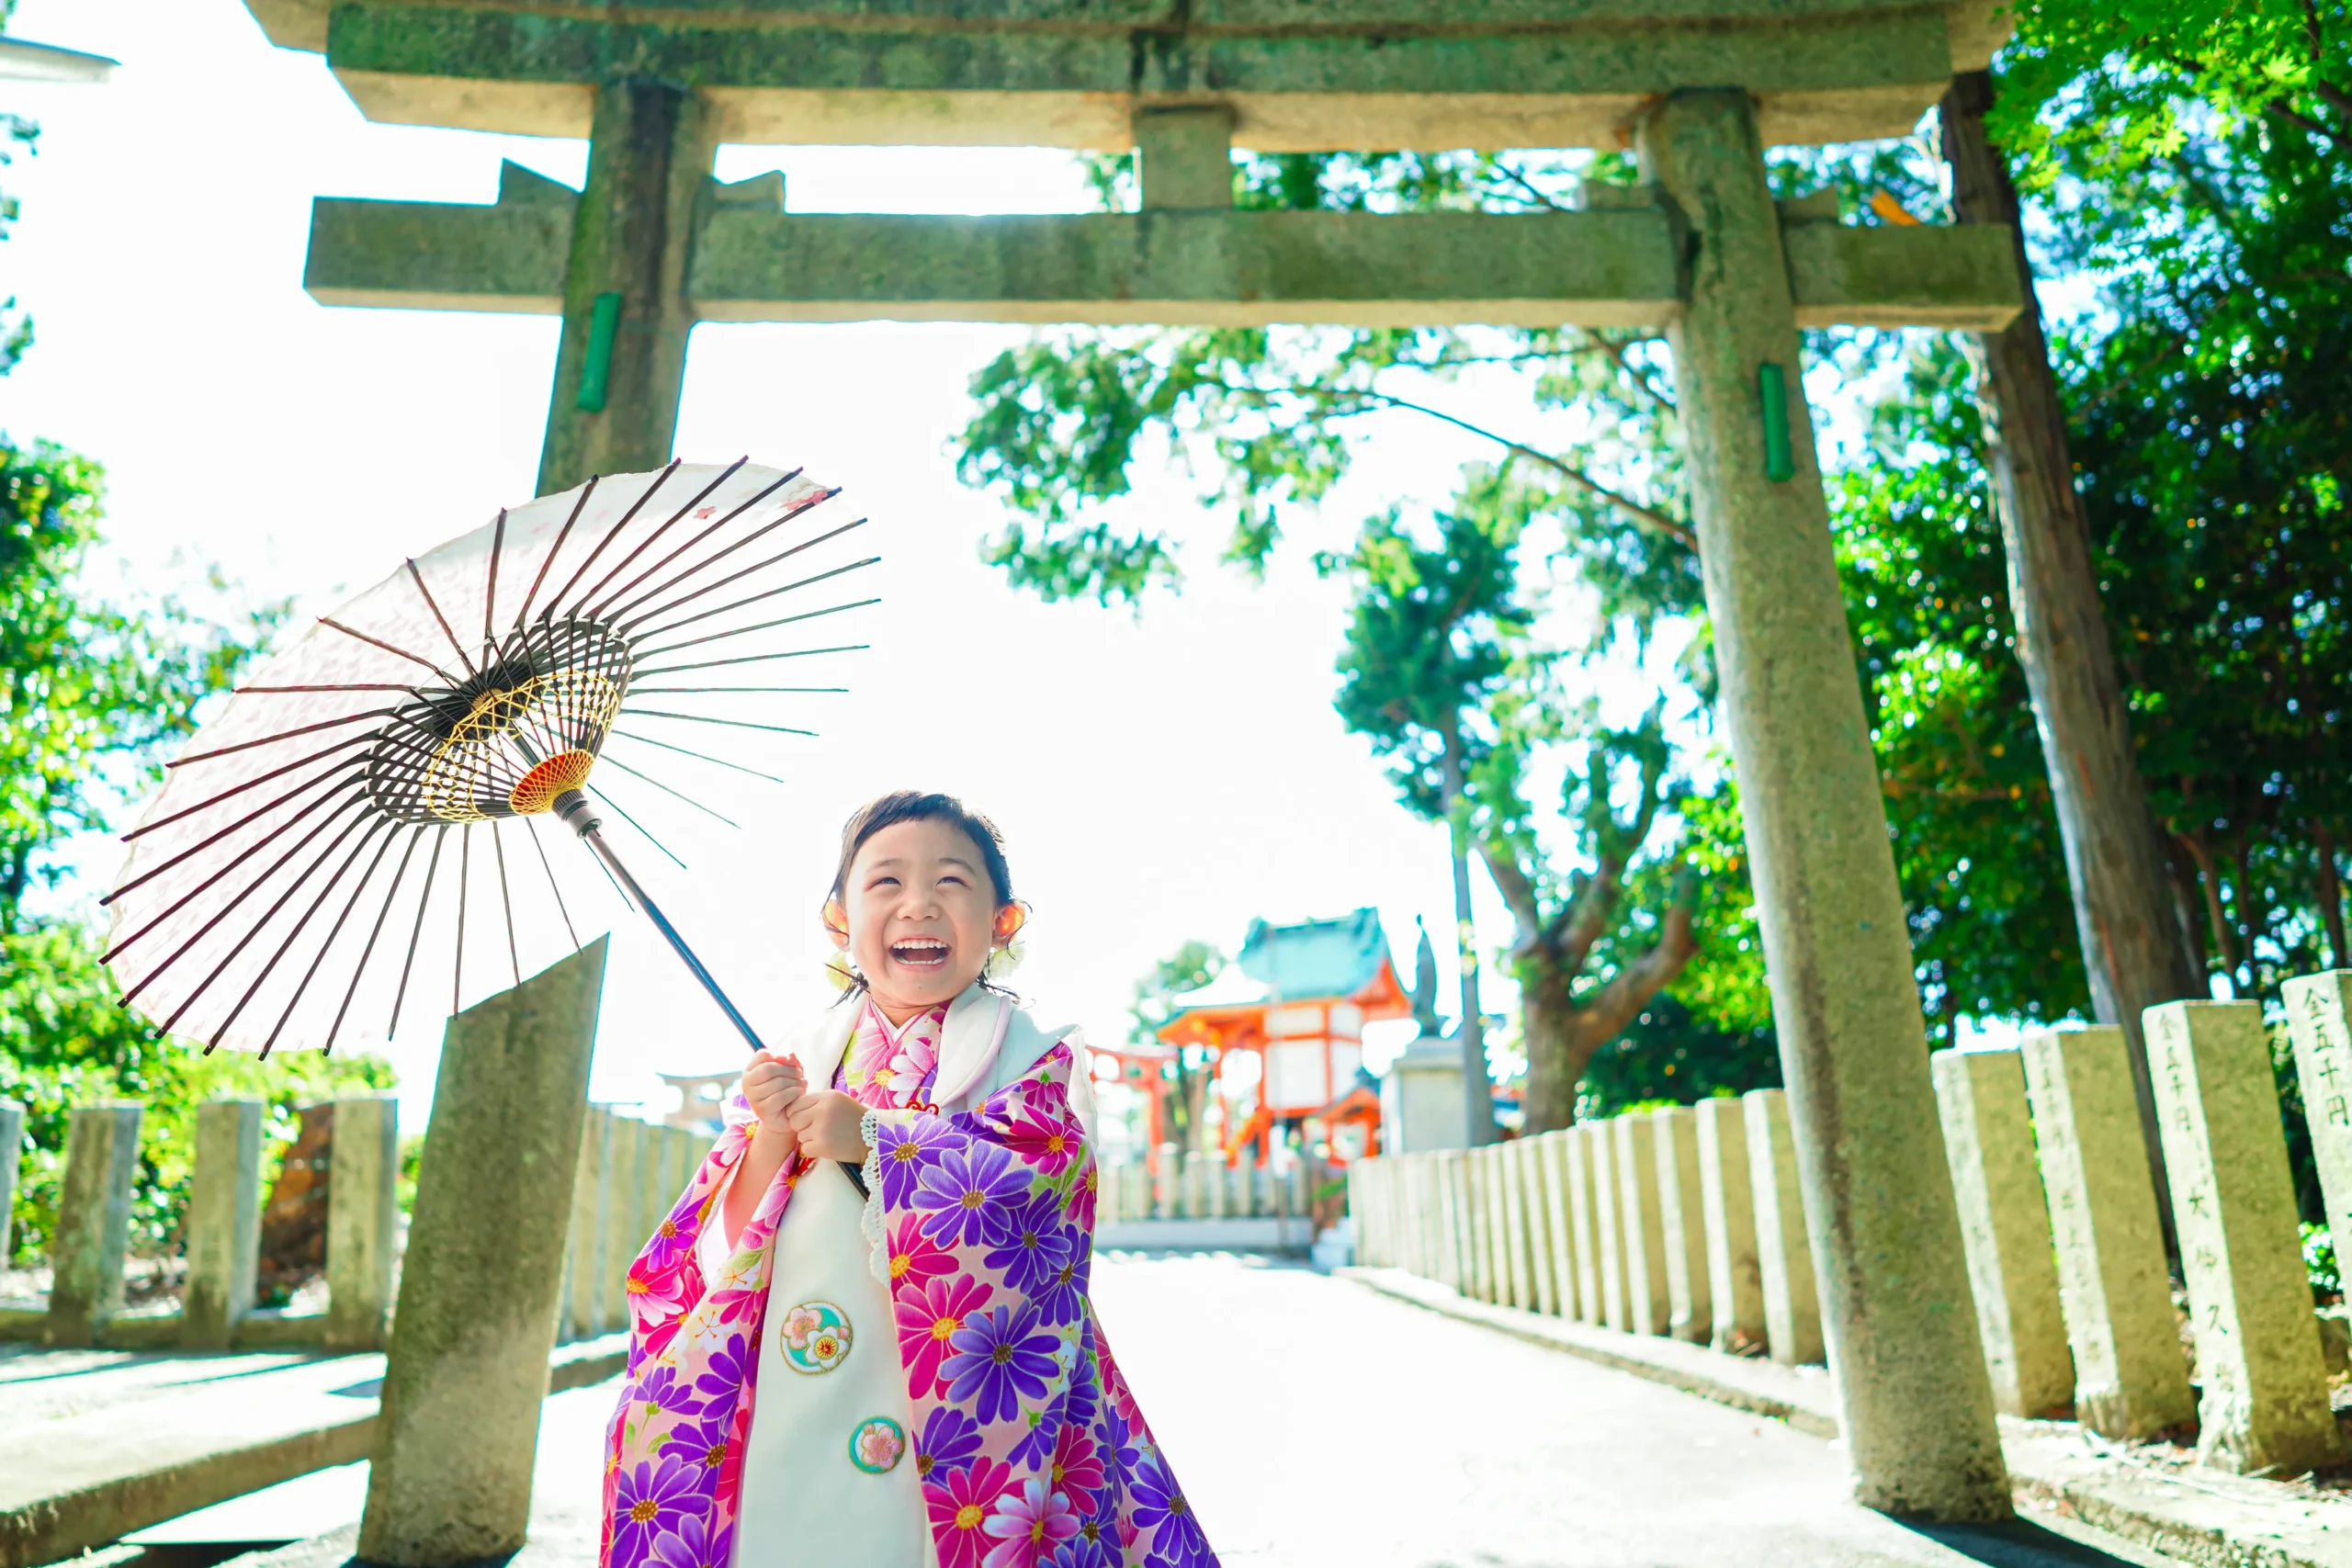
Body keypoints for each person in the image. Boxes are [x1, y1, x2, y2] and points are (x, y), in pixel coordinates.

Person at [603, 791, 1216, 1568]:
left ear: (1004, 921)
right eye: (886, 882)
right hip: (794, 1391)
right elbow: (723, 1238)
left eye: (952, 882)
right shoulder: (801, 1052)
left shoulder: (1030, 1052)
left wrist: (876, 1141)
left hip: (960, 1407)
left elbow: (1045, 1184)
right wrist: (772, 1132)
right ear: (839, 918)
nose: (918, 904)